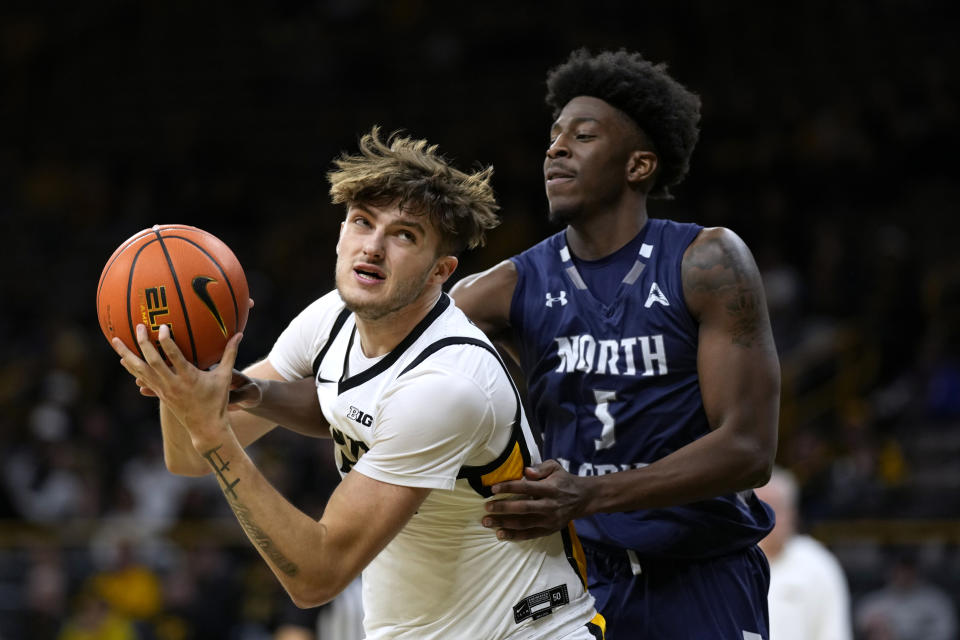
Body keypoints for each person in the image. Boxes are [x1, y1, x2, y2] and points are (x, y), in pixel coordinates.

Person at [111, 127, 605, 640]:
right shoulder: (333, 317)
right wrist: (188, 360)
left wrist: (213, 433)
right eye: (362, 223)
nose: (372, 247)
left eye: (404, 235)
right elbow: (186, 459)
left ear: (442, 271)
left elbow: (317, 574)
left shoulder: (448, 384)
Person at [450, 48, 781, 638]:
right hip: (575, 583)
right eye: (552, 137)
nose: (555, 149)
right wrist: (255, 396)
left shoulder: (707, 262)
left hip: (702, 575)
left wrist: (588, 494)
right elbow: (384, 369)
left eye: (582, 136)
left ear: (639, 165)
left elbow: (749, 449)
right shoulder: (507, 286)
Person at [755, 466, 853, 640]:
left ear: (792, 513)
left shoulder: (818, 563)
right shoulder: (735, 563)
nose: (766, 517)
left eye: (774, 507)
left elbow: (833, 632)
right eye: (759, 507)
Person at [854, 548, 958, 640]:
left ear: (916, 571)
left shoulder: (937, 601)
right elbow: (859, 629)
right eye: (899, 570)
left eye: (908, 570)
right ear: (890, 571)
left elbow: (946, 633)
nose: (903, 575)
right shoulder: (873, 602)